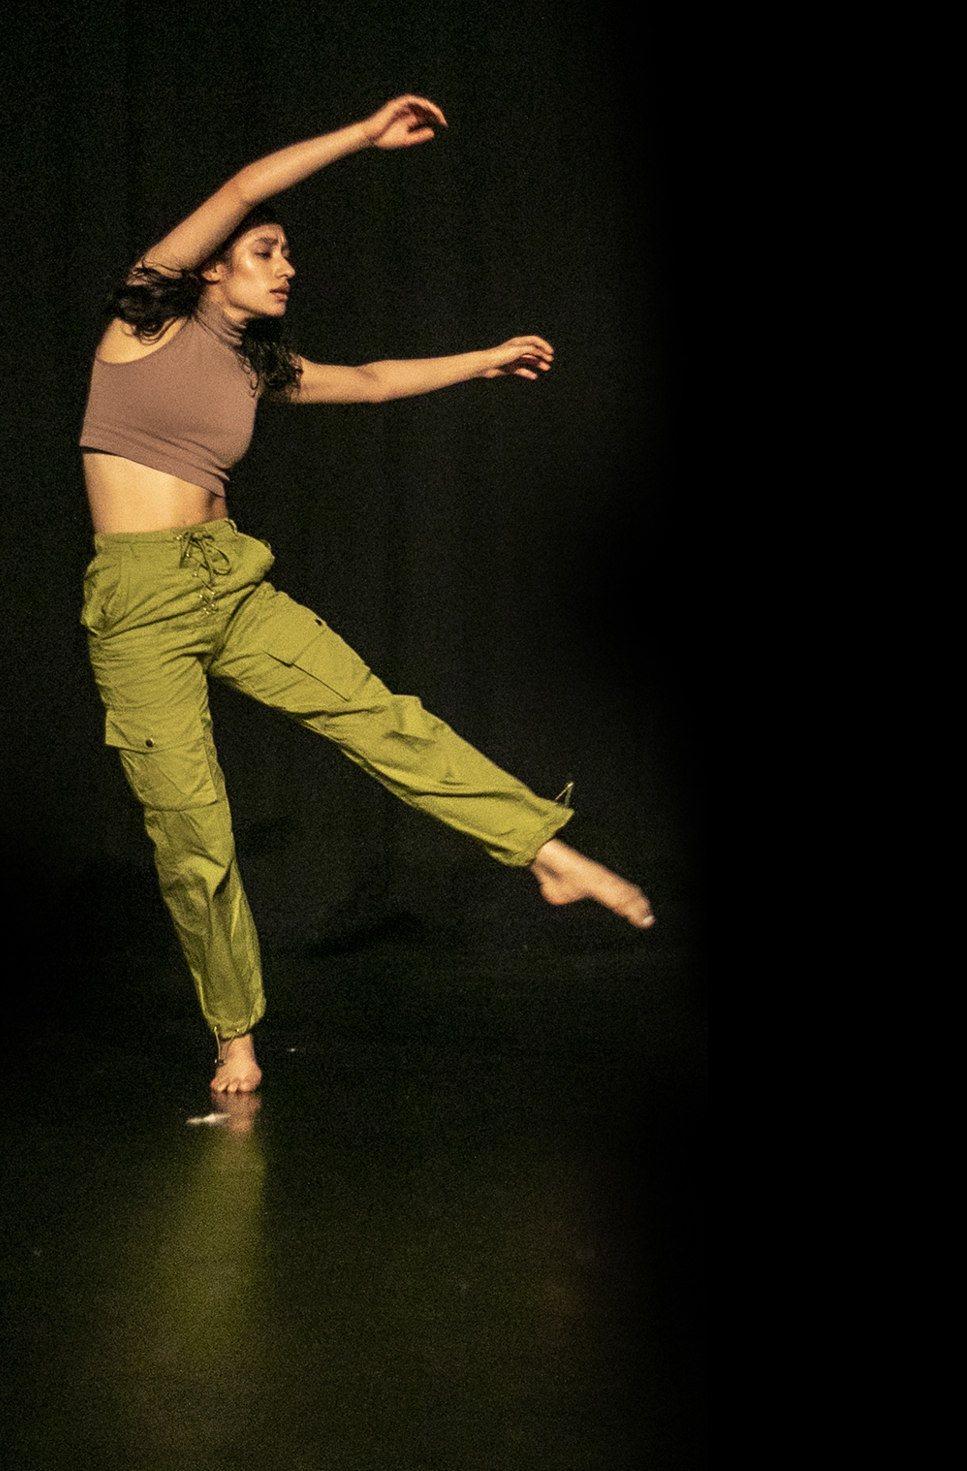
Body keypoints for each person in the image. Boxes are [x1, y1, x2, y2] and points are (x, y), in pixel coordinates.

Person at [78, 96, 654, 1096]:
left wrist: (487, 357)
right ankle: (235, 1033)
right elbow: (244, 187)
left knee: (382, 718)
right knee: (192, 831)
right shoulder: (144, 321)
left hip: (232, 581)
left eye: (288, 253)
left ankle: (542, 852)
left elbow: (378, 381)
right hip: (139, 604)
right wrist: (359, 137)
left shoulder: (255, 369)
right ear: (214, 265)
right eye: (267, 252)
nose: (287, 264)